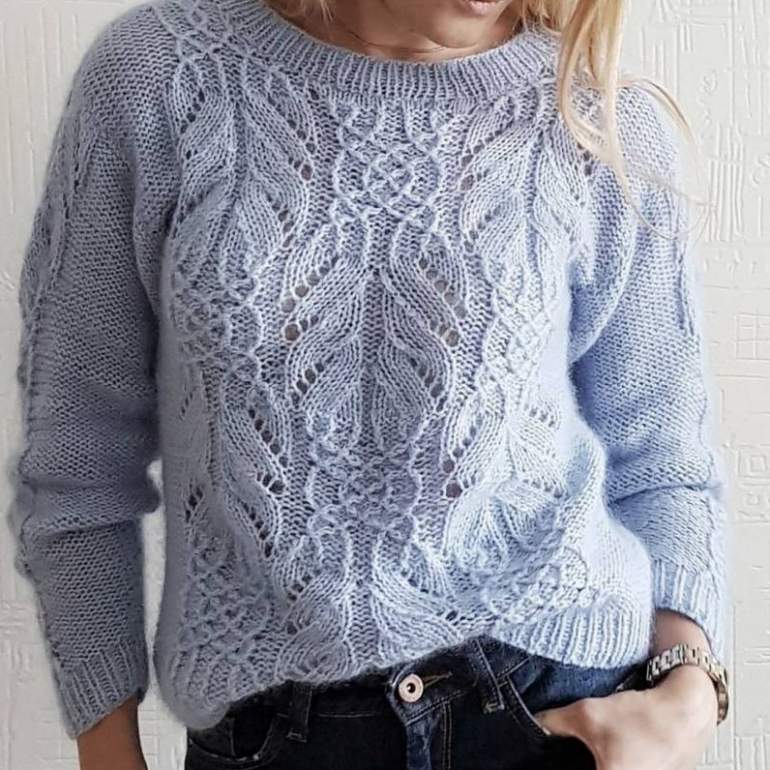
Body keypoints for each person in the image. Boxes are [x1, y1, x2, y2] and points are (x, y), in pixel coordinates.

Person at [6, 0, 732, 768]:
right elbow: (77, 460)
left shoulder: (593, 119)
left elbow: (662, 459)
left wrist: (689, 694)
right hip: (276, 740)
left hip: (553, 709)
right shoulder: (161, 79)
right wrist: (108, 751)